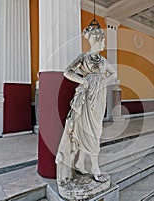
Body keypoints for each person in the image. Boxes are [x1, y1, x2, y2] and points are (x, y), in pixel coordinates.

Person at [55, 25, 117, 185]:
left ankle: (81, 163)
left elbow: (114, 74)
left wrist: (104, 82)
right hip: (86, 96)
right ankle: (95, 168)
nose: (104, 44)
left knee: (96, 129)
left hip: (99, 97)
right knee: (87, 131)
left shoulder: (103, 60)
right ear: (98, 40)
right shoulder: (84, 57)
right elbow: (67, 71)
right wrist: (83, 80)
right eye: (103, 40)